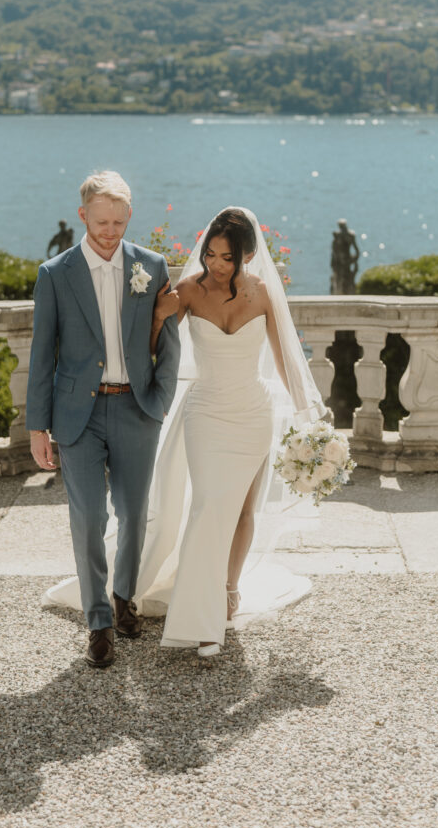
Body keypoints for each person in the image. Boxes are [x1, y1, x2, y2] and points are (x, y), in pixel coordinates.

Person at [136, 208, 326, 657]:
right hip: (205, 411)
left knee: (242, 512)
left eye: (227, 258)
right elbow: (150, 352)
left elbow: (284, 357)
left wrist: (308, 411)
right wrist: (159, 317)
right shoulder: (187, 290)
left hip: (252, 413)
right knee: (206, 506)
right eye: (211, 254)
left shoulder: (261, 294)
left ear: (246, 256)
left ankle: (228, 591)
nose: (217, 265)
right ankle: (198, 621)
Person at [26, 171, 180, 668]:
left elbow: (168, 345)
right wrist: (37, 427)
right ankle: (97, 621)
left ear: (129, 216)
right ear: (82, 217)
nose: (110, 231)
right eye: (100, 221)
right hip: (78, 415)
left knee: (135, 513)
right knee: (89, 516)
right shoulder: (55, 273)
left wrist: (157, 400)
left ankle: (124, 596)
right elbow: (42, 353)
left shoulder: (151, 267)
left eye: (117, 221)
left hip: (137, 409)